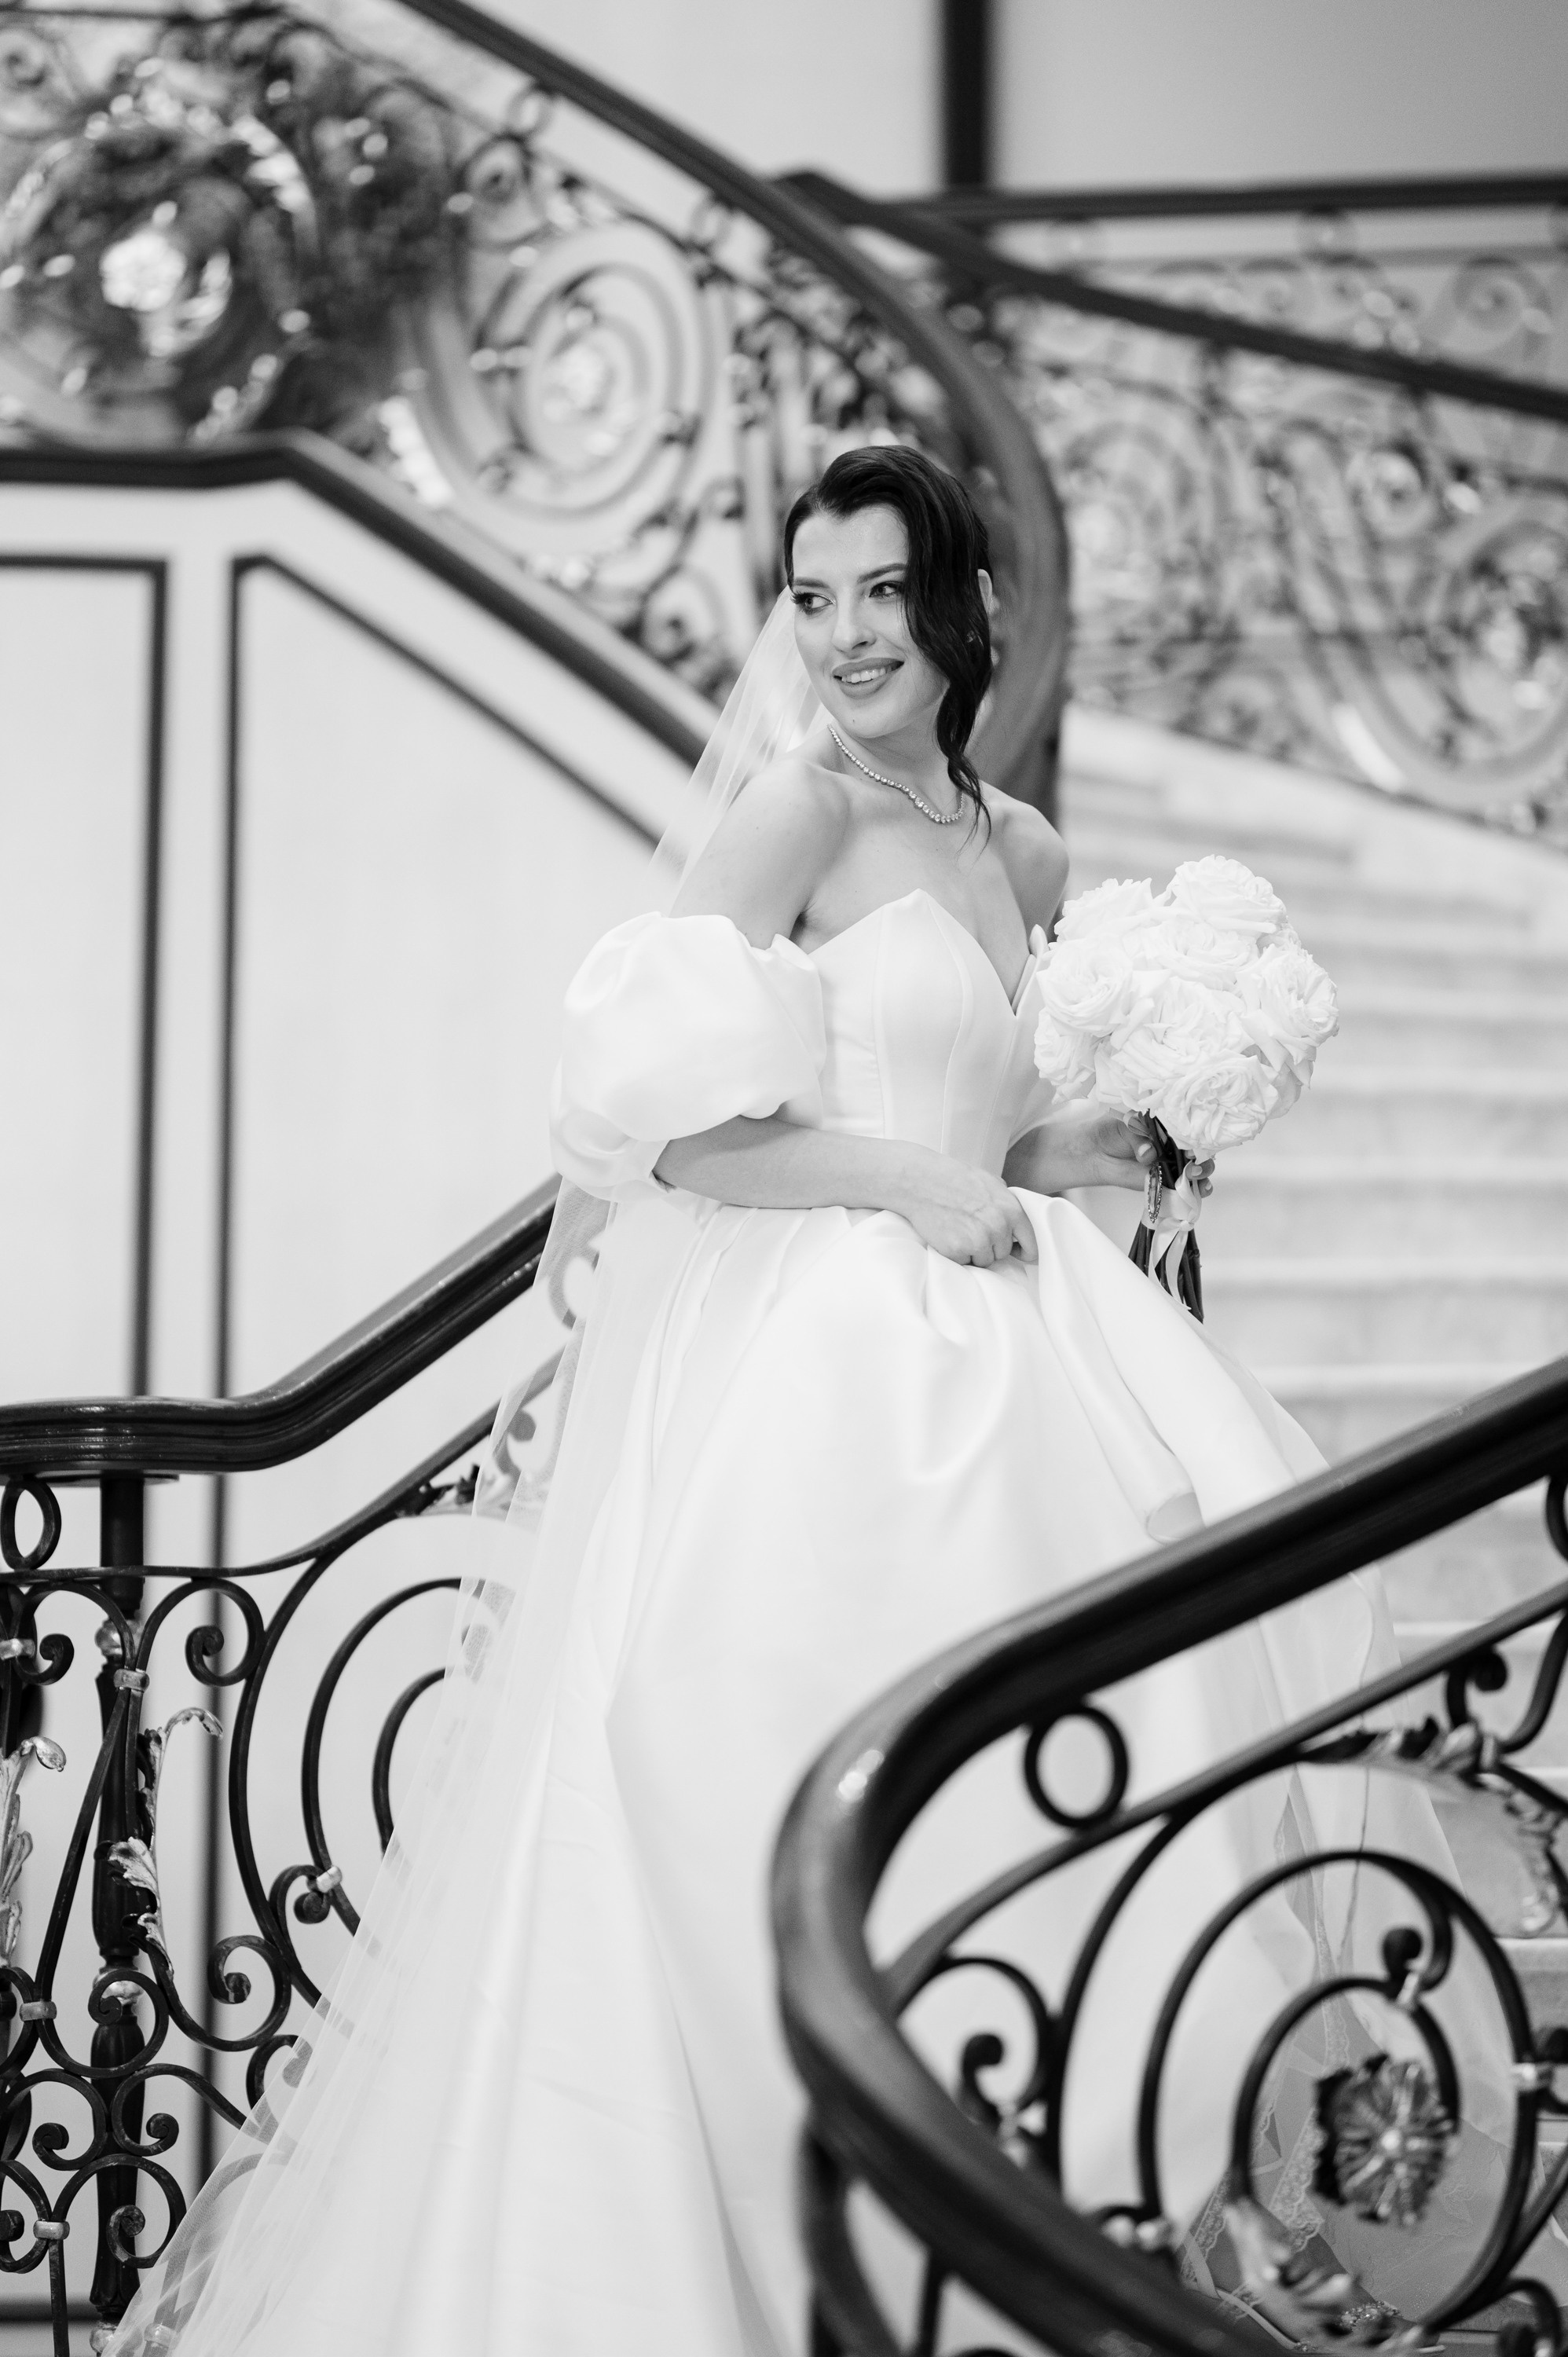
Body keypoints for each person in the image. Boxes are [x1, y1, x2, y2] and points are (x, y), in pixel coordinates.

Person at [109, 449, 1474, 2357]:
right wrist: (910, 1185)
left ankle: (1036, 2217)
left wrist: (1095, 1136)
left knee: (1082, 1749)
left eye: (879, 591)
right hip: (831, 1376)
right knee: (765, 1759)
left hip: (1009, 1330)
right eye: (810, 595)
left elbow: (977, 1112)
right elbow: (685, 1151)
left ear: (961, 612)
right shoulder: (792, 814)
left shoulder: (1020, 849)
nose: (840, 635)